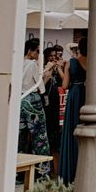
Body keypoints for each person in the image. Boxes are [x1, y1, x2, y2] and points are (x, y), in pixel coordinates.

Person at [19, 38, 53, 178]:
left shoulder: (17, 63)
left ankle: (18, 172)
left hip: (19, 99)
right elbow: (40, 87)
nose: (39, 54)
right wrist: (46, 75)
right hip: (32, 100)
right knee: (39, 137)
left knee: (19, 137)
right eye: (38, 51)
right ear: (30, 51)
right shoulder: (33, 65)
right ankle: (42, 171)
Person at [59, 37, 87, 184]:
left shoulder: (71, 62)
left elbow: (64, 85)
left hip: (74, 94)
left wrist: (59, 70)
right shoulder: (93, 61)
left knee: (72, 130)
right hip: (88, 94)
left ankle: (70, 170)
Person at [43, 46, 66, 175]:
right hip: (47, 103)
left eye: (54, 55)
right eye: (50, 56)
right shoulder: (44, 68)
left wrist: (59, 69)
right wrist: (48, 70)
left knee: (56, 132)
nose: (53, 58)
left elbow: (64, 81)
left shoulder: (58, 68)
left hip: (58, 102)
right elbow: (42, 84)